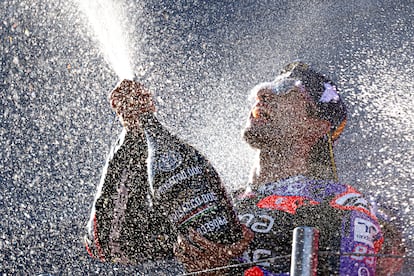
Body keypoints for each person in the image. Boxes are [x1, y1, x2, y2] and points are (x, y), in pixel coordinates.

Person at [85, 62, 404, 275]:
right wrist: (135, 135)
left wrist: (224, 271)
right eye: (268, 85)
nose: (264, 92)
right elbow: (109, 245)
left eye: (286, 89)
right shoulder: (220, 201)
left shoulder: (344, 207)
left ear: (317, 125)